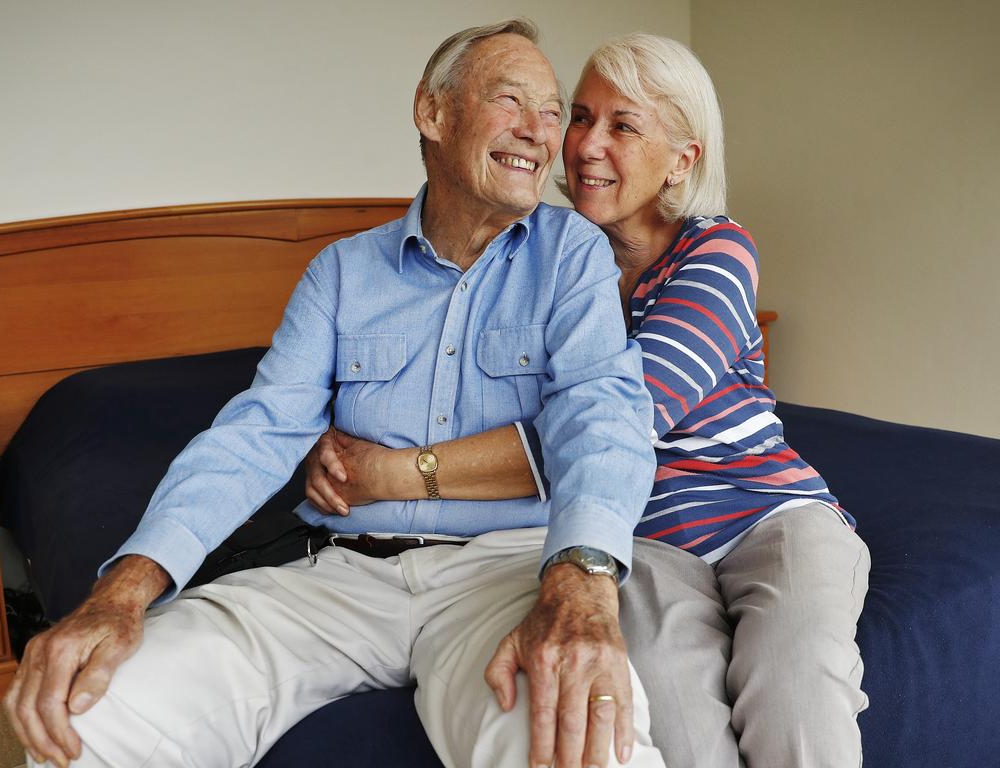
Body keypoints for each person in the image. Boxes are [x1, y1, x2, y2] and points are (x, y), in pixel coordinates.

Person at [3, 20, 670, 768]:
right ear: (433, 113)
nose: (539, 133)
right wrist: (123, 591)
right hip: (342, 572)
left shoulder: (572, 251)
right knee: (98, 708)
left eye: (552, 111)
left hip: (503, 572)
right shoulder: (342, 273)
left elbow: (600, 410)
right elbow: (258, 432)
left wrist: (581, 582)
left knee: (579, 735)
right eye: (510, 100)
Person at [305, 33, 872, 768]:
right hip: (644, 544)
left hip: (768, 516)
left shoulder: (716, 251)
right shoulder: (538, 263)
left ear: (682, 160)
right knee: (663, 704)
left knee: (796, 688)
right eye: (579, 117)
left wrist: (392, 473)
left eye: (623, 126)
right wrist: (327, 435)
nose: (585, 145)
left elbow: (618, 423)